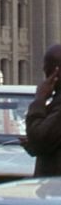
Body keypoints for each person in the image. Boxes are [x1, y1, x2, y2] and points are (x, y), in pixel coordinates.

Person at [25, 44, 61, 176]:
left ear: (56, 71)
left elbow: (40, 139)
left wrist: (39, 99)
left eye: (47, 69)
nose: (45, 75)